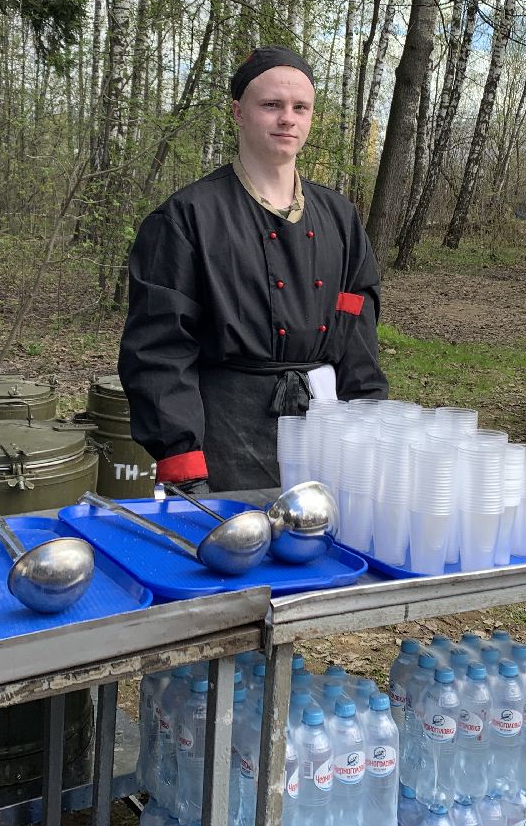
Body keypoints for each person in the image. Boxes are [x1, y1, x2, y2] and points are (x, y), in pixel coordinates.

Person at [118, 46, 387, 492]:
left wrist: (367, 420)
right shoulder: (187, 217)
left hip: (326, 424)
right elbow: (160, 349)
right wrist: (183, 460)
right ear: (238, 112)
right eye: (271, 106)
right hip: (225, 430)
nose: (288, 118)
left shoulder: (340, 217)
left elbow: (357, 328)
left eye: (300, 107)